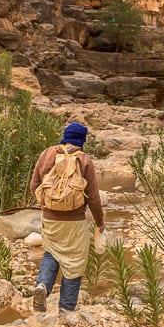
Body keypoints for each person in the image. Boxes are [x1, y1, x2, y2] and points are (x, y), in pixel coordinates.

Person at [29, 121, 105, 315]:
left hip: (50, 218)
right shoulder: (84, 160)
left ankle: (43, 285)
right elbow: (93, 197)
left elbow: (34, 184)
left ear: (65, 135)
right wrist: (99, 222)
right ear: (82, 140)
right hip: (75, 220)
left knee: (51, 252)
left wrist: (46, 205)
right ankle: (66, 308)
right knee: (74, 261)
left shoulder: (47, 154)